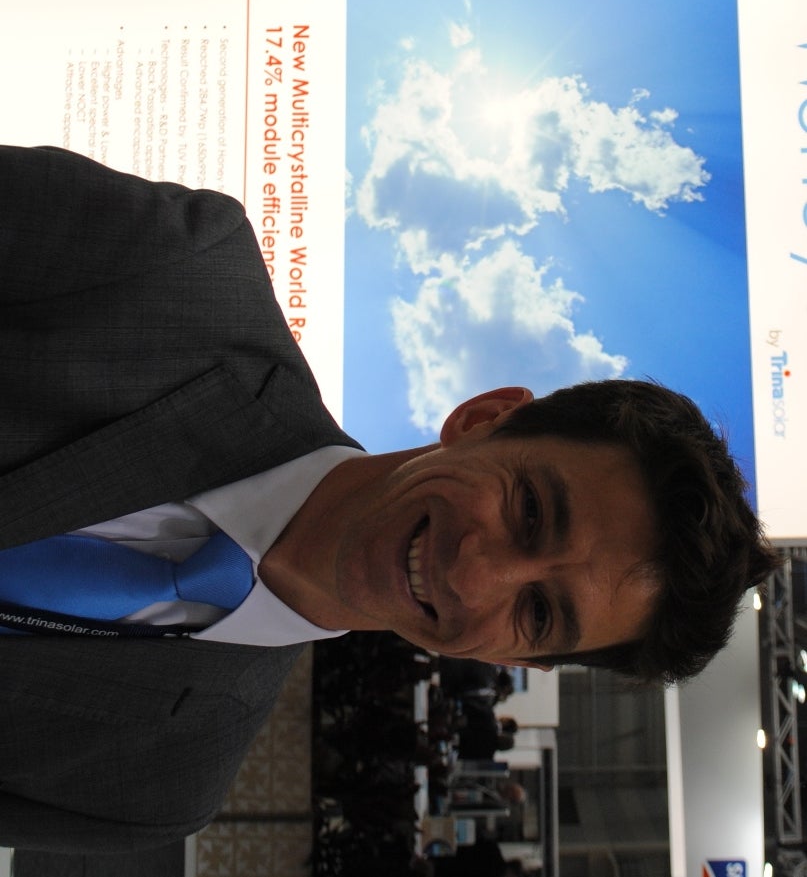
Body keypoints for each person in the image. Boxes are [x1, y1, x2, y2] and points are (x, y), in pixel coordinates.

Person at [0, 145, 777, 860]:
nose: (475, 575)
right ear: (483, 417)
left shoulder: (159, 784)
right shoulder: (177, 275)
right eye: (530, 512)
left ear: (515, 660)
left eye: (538, 611)